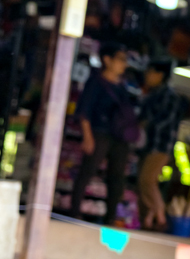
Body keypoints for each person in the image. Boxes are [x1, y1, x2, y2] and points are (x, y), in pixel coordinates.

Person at [71, 41, 138, 225]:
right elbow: (84, 111)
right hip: (99, 133)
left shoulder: (123, 87)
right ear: (107, 60)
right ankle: (74, 212)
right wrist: (87, 135)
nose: (124, 64)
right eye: (121, 59)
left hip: (119, 137)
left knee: (116, 177)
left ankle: (110, 218)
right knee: (87, 171)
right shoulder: (95, 82)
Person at [136, 60, 183, 230]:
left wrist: (143, 125)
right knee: (144, 182)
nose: (147, 75)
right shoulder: (152, 94)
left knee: (147, 180)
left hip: (161, 146)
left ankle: (160, 217)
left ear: (160, 75)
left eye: (150, 71)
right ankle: (150, 218)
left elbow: (162, 121)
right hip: (149, 146)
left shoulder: (168, 96)